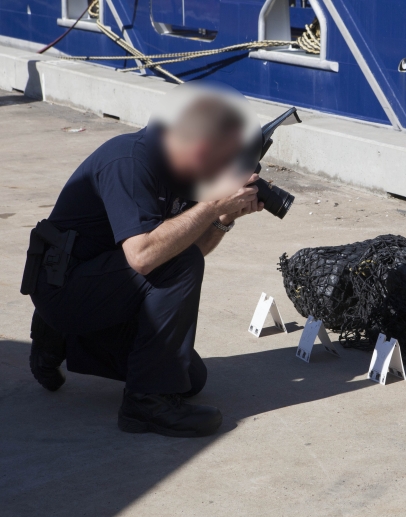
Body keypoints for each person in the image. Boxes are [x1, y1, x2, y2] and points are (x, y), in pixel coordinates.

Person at [22, 93, 263, 437]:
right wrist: (210, 206)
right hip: (64, 285)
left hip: (104, 285)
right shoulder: (130, 161)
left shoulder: (184, 168)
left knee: (190, 379)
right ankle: (145, 405)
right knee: (163, 371)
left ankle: (61, 339)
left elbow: (187, 247)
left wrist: (221, 217)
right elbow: (145, 256)